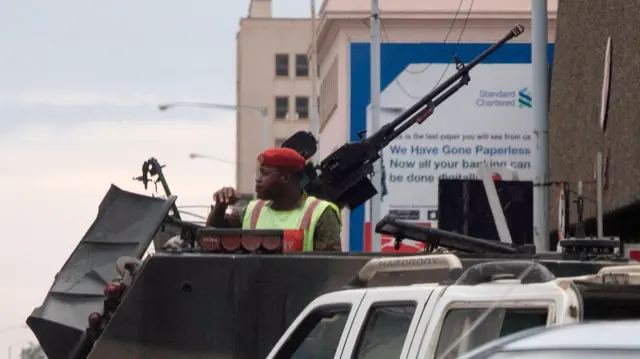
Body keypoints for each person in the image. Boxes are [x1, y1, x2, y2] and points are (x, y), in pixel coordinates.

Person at [206, 147, 342, 252]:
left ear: (285, 178)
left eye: (264, 173)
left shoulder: (320, 213)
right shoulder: (253, 211)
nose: (258, 179)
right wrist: (220, 205)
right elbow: (211, 237)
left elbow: (330, 270)